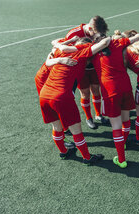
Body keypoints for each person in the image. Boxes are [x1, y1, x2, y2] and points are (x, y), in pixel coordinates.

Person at [39, 36, 111, 164]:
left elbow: (49, 58)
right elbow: (105, 42)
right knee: (76, 130)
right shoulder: (83, 52)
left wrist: (60, 56)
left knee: (56, 127)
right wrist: (112, 38)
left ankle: (63, 152)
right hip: (61, 96)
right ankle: (87, 158)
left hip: (44, 94)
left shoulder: (62, 51)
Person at [92, 30, 139, 168]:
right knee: (126, 121)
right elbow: (137, 37)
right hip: (125, 87)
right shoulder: (118, 44)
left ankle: (121, 159)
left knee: (116, 126)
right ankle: (123, 143)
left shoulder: (92, 51)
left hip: (110, 91)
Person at [53, 16, 109, 129]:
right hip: (80, 70)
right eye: (95, 34)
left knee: (96, 90)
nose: (96, 37)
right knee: (85, 93)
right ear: (90, 29)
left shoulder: (97, 31)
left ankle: (98, 115)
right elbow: (60, 48)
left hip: (93, 68)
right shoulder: (74, 33)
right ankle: (89, 118)